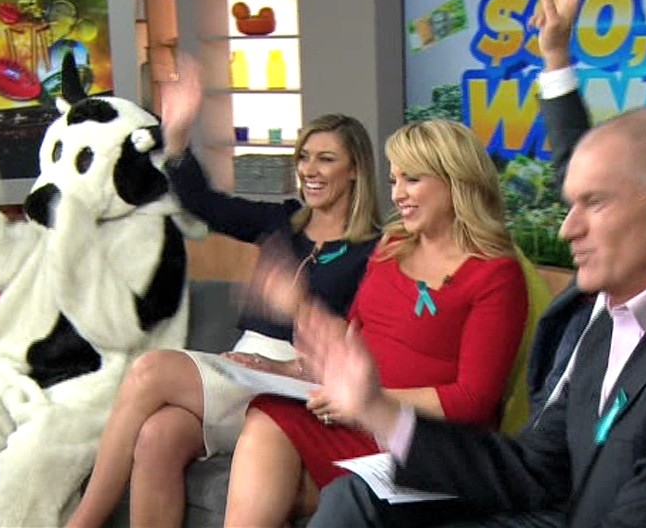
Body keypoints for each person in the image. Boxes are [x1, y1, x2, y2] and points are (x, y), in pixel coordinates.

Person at [299, 37, 646, 528]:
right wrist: (377, 409)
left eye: (594, 203)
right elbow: (535, 469)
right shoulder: (613, 320)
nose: (566, 228)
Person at [66, 52, 384, 528]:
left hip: (296, 381)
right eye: (303, 157)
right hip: (241, 370)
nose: (310, 170)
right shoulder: (282, 222)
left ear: (355, 169)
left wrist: (289, 349)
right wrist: (177, 135)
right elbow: (204, 204)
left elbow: (364, 342)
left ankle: (81, 522)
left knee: (151, 371)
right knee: (158, 436)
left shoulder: (374, 251)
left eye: (326, 159)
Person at [221, 116, 532, 527]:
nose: (398, 195)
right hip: (355, 418)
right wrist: (288, 356)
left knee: (302, 492)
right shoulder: (392, 246)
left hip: (425, 441)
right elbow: (350, 340)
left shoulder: (496, 274)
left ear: (457, 181)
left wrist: (369, 402)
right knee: (268, 413)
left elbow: (473, 400)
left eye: (412, 180)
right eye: (393, 180)